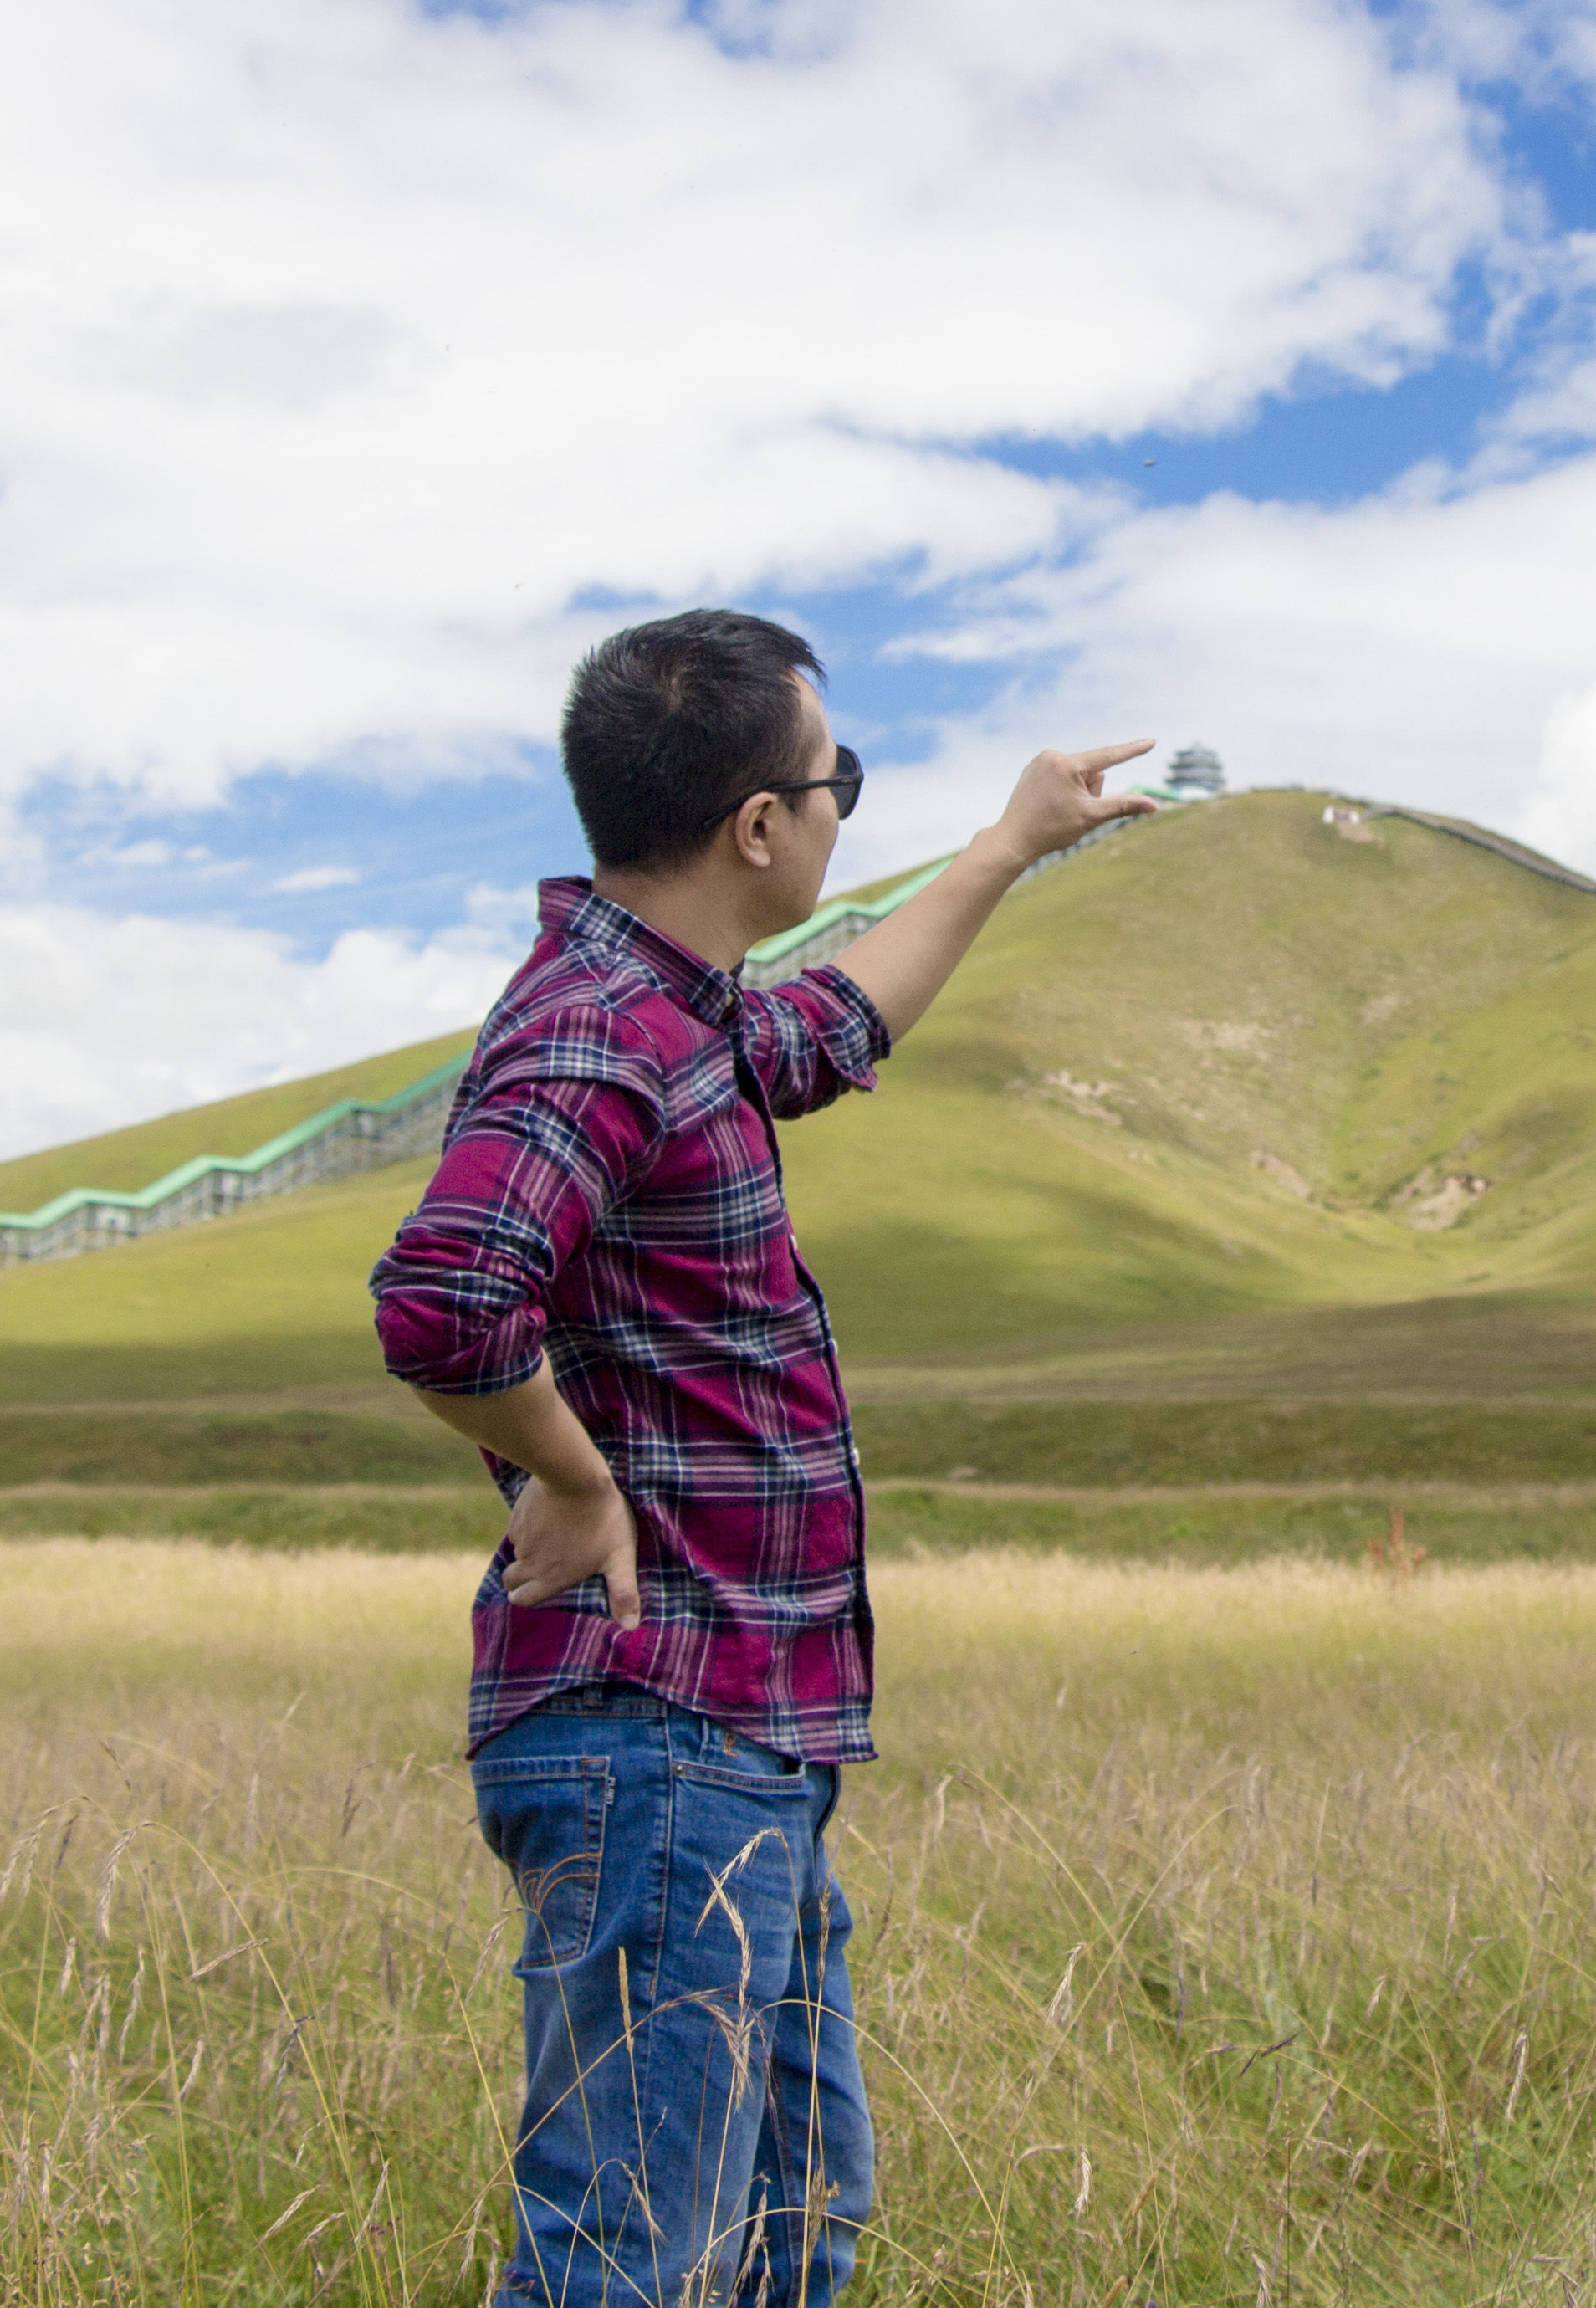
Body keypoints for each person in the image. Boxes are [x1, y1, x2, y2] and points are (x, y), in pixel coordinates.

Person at [371, 606, 1153, 2307]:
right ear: (757, 825)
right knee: (634, 2263)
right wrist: (574, 1484)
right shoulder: (596, 1032)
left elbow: (838, 1026)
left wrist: (1008, 847)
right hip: (656, 1735)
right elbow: (443, 1300)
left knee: (789, 2234)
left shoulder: (686, 1019)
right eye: (839, 780)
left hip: (733, 1742)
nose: (839, 809)